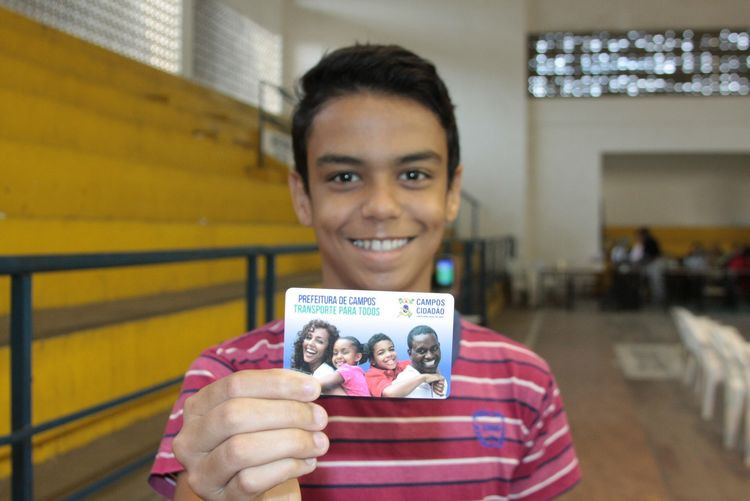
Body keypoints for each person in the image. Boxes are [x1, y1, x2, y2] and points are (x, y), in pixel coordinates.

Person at [149, 43, 580, 500]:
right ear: (302, 196)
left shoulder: (525, 382)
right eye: (344, 177)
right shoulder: (225, 382)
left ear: (452, 192)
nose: (380, 207)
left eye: (414, 175)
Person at [364, 333, 443, 397]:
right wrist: (423, 378)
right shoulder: (371, 376)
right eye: (381, 353)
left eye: (391, 349)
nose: (389, 354)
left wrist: (437, 379)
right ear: (372, 360)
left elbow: (427, 364)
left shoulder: (403, 365)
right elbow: (389, 393)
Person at [393, 325, 446, 398]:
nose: (429, 356)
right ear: (410, 353)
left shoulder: (441, 382)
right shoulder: (403, 383)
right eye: (421, 351)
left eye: (434, 348)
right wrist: (423, 378)